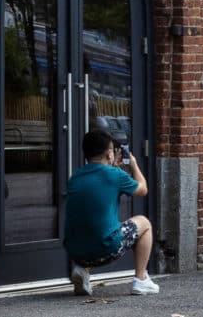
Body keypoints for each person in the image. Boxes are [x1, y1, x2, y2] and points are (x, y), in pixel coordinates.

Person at [64, 127, 159, 296]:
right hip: (105, 250)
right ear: (109, 153)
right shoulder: (115, 175)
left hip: (75, 251)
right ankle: (141, 280)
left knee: (89, 224)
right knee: (144, 223)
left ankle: (82, 271)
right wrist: (135, 165)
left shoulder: (75, 177)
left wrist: (112, 167)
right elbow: (143, 189)